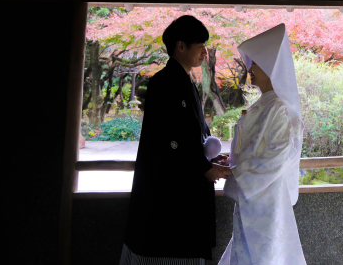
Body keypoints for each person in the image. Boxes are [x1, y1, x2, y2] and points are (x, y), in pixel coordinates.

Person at [121, 15, 232, 264]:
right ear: (180, 46)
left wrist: (213, 159)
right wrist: (205, 168)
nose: (205, 52)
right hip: (170, 191)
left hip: (182, 184)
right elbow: (172, 139)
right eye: (200, 45)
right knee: (169, 249)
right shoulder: (165, 82)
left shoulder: (182, 80)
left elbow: (192, 135)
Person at [219, 23, 306, 265]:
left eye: (255, 63)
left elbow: (278, 157)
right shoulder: (267, 104)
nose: (250, 68)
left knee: (265, 255)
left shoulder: (278, 107)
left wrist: (236, 169)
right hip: (254, 195)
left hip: (267, 198)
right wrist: (234, 163)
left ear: (271, 67)